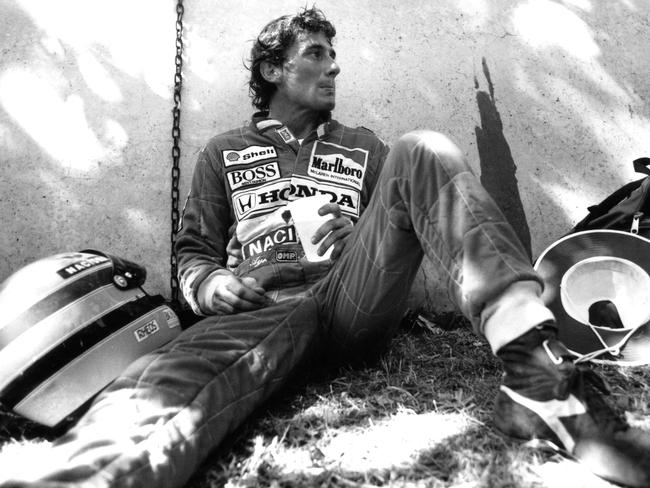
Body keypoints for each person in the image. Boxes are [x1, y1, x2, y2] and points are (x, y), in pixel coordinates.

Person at [2, 7, 650, 488]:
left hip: (347, 301)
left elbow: (404, 223)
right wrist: (210, 285)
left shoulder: (364, 146)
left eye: (334, 56)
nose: (333, 66)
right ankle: (87, 475)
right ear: (272, 68)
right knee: (168, 382)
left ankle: (540, 379)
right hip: (256, 306)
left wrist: (361, 230)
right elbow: (193, 252)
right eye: (316, 52)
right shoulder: (222, 151)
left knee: (423, 149)